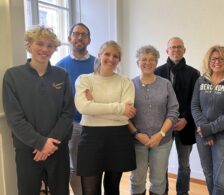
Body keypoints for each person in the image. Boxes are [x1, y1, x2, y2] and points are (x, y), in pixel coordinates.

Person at [2, 26, 74, 195]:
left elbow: (67, 112)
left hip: (57, 148)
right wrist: (40, 143)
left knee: (60, 191)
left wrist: (50, 143)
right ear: (29, 45)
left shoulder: (61, 75)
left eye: (50, 46)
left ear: (55, 49)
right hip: (27, 150)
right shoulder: (13, 76)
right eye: (40, 44)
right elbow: (14, 117)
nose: (44, 49)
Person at [74, 40, 136, 195]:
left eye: (115, 56)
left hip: (119, 137)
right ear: (100, 56)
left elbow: (125, 117)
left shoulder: (125, 82)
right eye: (107, 54)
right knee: (90, 191)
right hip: (91, 137)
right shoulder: (84, 79)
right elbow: (83, 107)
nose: (111, 58)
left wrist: (94, 106)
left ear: (119, 60)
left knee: (112, 189)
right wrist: (120, 108)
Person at [191, 45, 224, 195]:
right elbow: (195, 106)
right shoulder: (201, 80)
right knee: (208, 174)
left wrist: (209, 129)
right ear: (208, 61)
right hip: (202, 134)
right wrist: (204, 131)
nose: (217, 61)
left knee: (221, 179)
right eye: (213, 58)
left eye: (221, 58)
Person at [130, 45, 179, 195]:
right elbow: (124, 115)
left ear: (156, 62)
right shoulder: (130, 85)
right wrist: (137, 134)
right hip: (137, 141)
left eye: (152, 59)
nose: (148, 62)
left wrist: (161, 134)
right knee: (137, 179)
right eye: (143, 59)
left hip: (162, 141)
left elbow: (173, 112)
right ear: (137, 62)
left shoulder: (165, 84)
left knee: (158, 181)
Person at [154, 37, 199, 195]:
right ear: (167, 51)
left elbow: (195, 100)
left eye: (179, 47)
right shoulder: (157, 72)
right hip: (163, 126)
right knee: (161, 164)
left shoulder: (194, 74)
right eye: (173, 47)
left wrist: (185, 119)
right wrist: (168, 121)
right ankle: (163, 191)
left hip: (185, 125)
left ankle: (182, 192)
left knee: (184, 165)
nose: (176, 50)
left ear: (184, 50)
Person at [56, 22, 95, 195]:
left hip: (96, 123)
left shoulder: (98, 64)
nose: (80, 37)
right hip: (73, 125)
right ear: (69, 38)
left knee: (93, 166)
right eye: (76, 33)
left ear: (89, 39)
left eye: (84, 34)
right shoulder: (59, 66)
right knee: (75, 167)